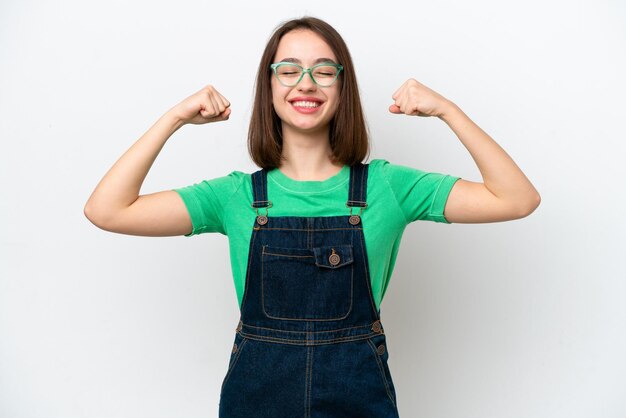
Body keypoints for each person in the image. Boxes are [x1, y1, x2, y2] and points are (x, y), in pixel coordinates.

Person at [84, 16, 540, 418]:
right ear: (270, 87)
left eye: (323, 71)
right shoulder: (236, 196)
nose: (306, 83)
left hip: (356, 396)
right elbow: (107, 210)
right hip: (257, 397)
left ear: (343, 87)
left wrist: (447, 111)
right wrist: (175, 117)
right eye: (289, 70)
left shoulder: (388, 187)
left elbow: (516, 199)